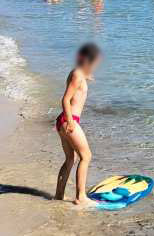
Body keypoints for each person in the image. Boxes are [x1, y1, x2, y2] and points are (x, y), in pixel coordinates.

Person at [54, 42, 102, 206]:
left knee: (70, 159)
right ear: (88, 59)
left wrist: (87, 76)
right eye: (95, 62)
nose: (96, 66)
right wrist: (70, 122)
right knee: (86, 156)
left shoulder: (79, 74)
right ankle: (80, 197)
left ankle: (59, 195)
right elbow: (65, 99)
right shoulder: (77, 75)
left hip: (64, 120)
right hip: (69, 120)